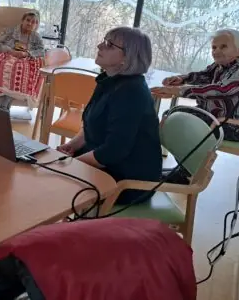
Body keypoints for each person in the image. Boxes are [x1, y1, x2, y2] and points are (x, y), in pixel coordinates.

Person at [57, 27, 162, 205]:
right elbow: (91, 125)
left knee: (52, 185)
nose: (99, 46)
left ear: (127, 57)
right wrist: (71, 146)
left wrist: (72, 164)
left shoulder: (131, 92)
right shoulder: (108, 80)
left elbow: (113, 151)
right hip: (105, 163)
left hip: (127, 180)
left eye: (109, 45)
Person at [153, 29, 239, 142]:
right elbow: (203, 75)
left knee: (176, 122)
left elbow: (223, 89)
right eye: (214, 47)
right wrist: (181, 79)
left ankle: (184, 152)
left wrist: (179, 91)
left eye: (223, 46)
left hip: (236, 127)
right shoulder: (219, 65)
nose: (217, 51)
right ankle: (167, 148)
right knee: (171, 115)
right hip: (213, 118)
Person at [0, 10, 45, 111]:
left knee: (22, 70)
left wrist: (27, 53)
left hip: (25, 60)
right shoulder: (10, 31)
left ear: (36, 25)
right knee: (6, 67)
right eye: (28, 20)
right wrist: (11, 51)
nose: (29, 23)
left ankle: (5, 103)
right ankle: (4, 104)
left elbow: (42, 51)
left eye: (33, 22)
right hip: (8, 55)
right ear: (22, 20)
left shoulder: (36, 36)